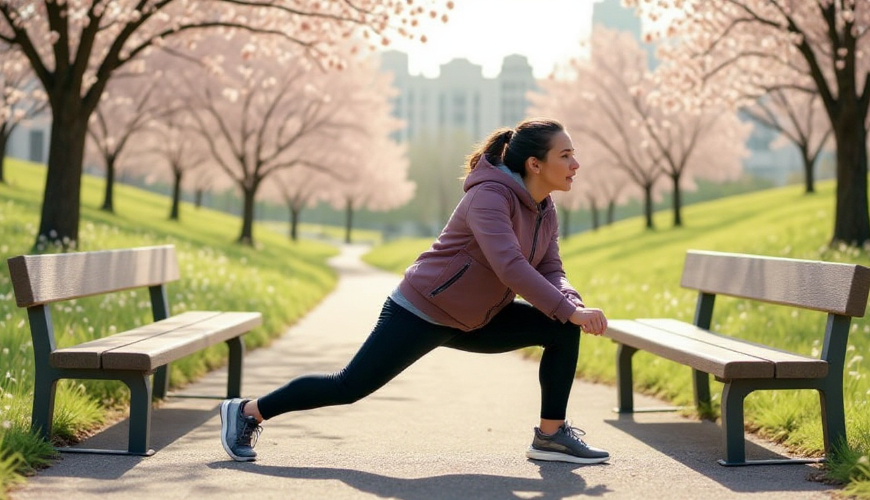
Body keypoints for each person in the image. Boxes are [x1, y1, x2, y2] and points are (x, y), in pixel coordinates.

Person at [220, 117, 610, 465]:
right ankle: (248, 412)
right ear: (535, 164)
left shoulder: (545, 209)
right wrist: (568, 309)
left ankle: (550, 436)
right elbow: (511, 267)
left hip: (479, 317)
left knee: (561, 328)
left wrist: (572, 306)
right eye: (566, 155)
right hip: (423, 310)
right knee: (349, 386)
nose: (576, 165)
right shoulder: (489, 196)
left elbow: (550, 267)